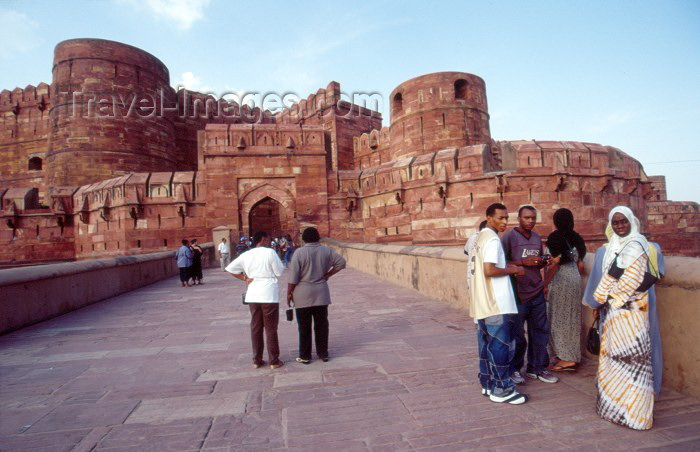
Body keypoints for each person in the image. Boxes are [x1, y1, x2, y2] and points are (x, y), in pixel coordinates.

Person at [583, 206, 662, 430]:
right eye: (615, 223)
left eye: (623, 222)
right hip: (614, 313)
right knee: (614, 359)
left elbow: (648, 277)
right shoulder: (610, 249)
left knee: (635, 361)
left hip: (633, 312)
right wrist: (606, 299)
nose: (620, 226)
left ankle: (637, 416)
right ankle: (614, 410)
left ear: (631, 221)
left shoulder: (639, 245)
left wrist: (613, 296)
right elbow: (611, 275)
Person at [470, 203, 528, 404]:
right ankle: (502, 388)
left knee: (486, 347)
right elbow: (489, 270)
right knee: (500, 347)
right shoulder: (493, 240)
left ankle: (487, 384)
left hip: (482, 302)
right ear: (488, 218)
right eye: (500, 218)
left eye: (506, 218)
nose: (505, 222)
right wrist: (514, 270)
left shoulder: (479, 238)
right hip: (496, 302)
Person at [501, 205, 559, 384]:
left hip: (536, 291)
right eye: (527, 218)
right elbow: (501, 263)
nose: (530, 221)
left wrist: (543, 262)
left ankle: (537, 368)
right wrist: (523, 262)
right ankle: (516, 369)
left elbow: (537, 263)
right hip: (518, 293)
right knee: (518, 336)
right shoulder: (509, 237)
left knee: (540, 332)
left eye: (533, 218)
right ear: (519, 218)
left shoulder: (536, 237)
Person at [226, 231, 285, 370]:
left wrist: (245, 278)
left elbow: (230, 269)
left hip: (253, 293)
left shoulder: (246, 254)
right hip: (268, 293)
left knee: (256, 327)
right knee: (270, 328)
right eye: (269, 239)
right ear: (264, 239)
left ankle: (257, 360)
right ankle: (274, 361)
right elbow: (279, 272)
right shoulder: (270, 253)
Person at [287, 227, 346, 364]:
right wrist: (328, 274)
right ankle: (323, 353)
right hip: (321, 292)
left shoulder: (299, 253)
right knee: (322, 325)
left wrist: (289, 293)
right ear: (318, 237)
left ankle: (305, 356)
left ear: (304, 239)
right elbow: (341, 262)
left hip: (302, 294)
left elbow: (293, 277)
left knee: (304, 327)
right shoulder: (326, 251)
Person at [543, 208, 586, 371]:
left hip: (561, 279)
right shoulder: (577, 238)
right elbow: (580, 264)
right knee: (572, 318)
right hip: (574, 279)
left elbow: (554, 265)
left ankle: (567, 358)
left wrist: (545, 284)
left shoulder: (555, 237)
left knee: (558, 318)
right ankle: (568, 355)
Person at [465, 220, 488, 290]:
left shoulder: (472, 237)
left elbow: (466, 251)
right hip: (481, 275)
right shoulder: (488, 238)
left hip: (471, 273)